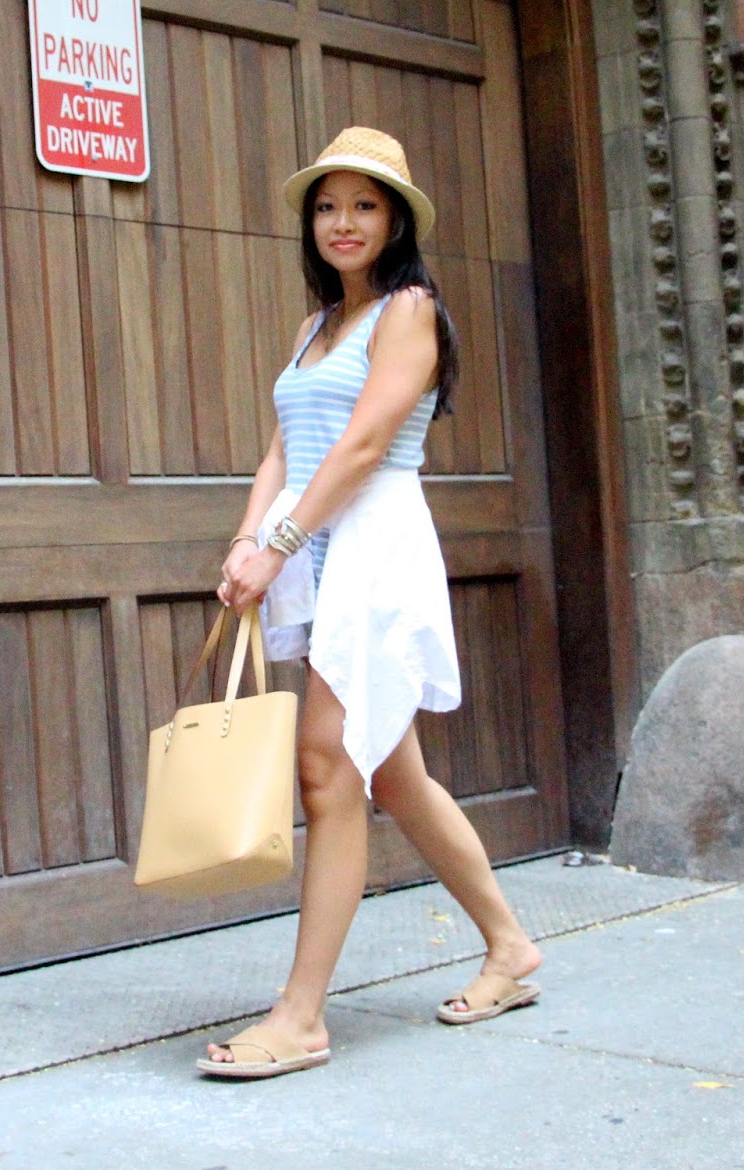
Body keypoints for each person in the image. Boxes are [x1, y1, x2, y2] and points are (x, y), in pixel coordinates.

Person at [195, 127, 542, 1080]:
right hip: (317, 552)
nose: (342, 222)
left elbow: (360, 450)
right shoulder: (315, 327)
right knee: (393, 776)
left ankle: (301, 1017)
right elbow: (282, 451)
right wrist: (247, 540)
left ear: (395, 222)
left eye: (364, 205)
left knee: (328, 771)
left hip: (374, 552)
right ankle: (511, 946)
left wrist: (274, 546)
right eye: (327, 206)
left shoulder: (409, 311)